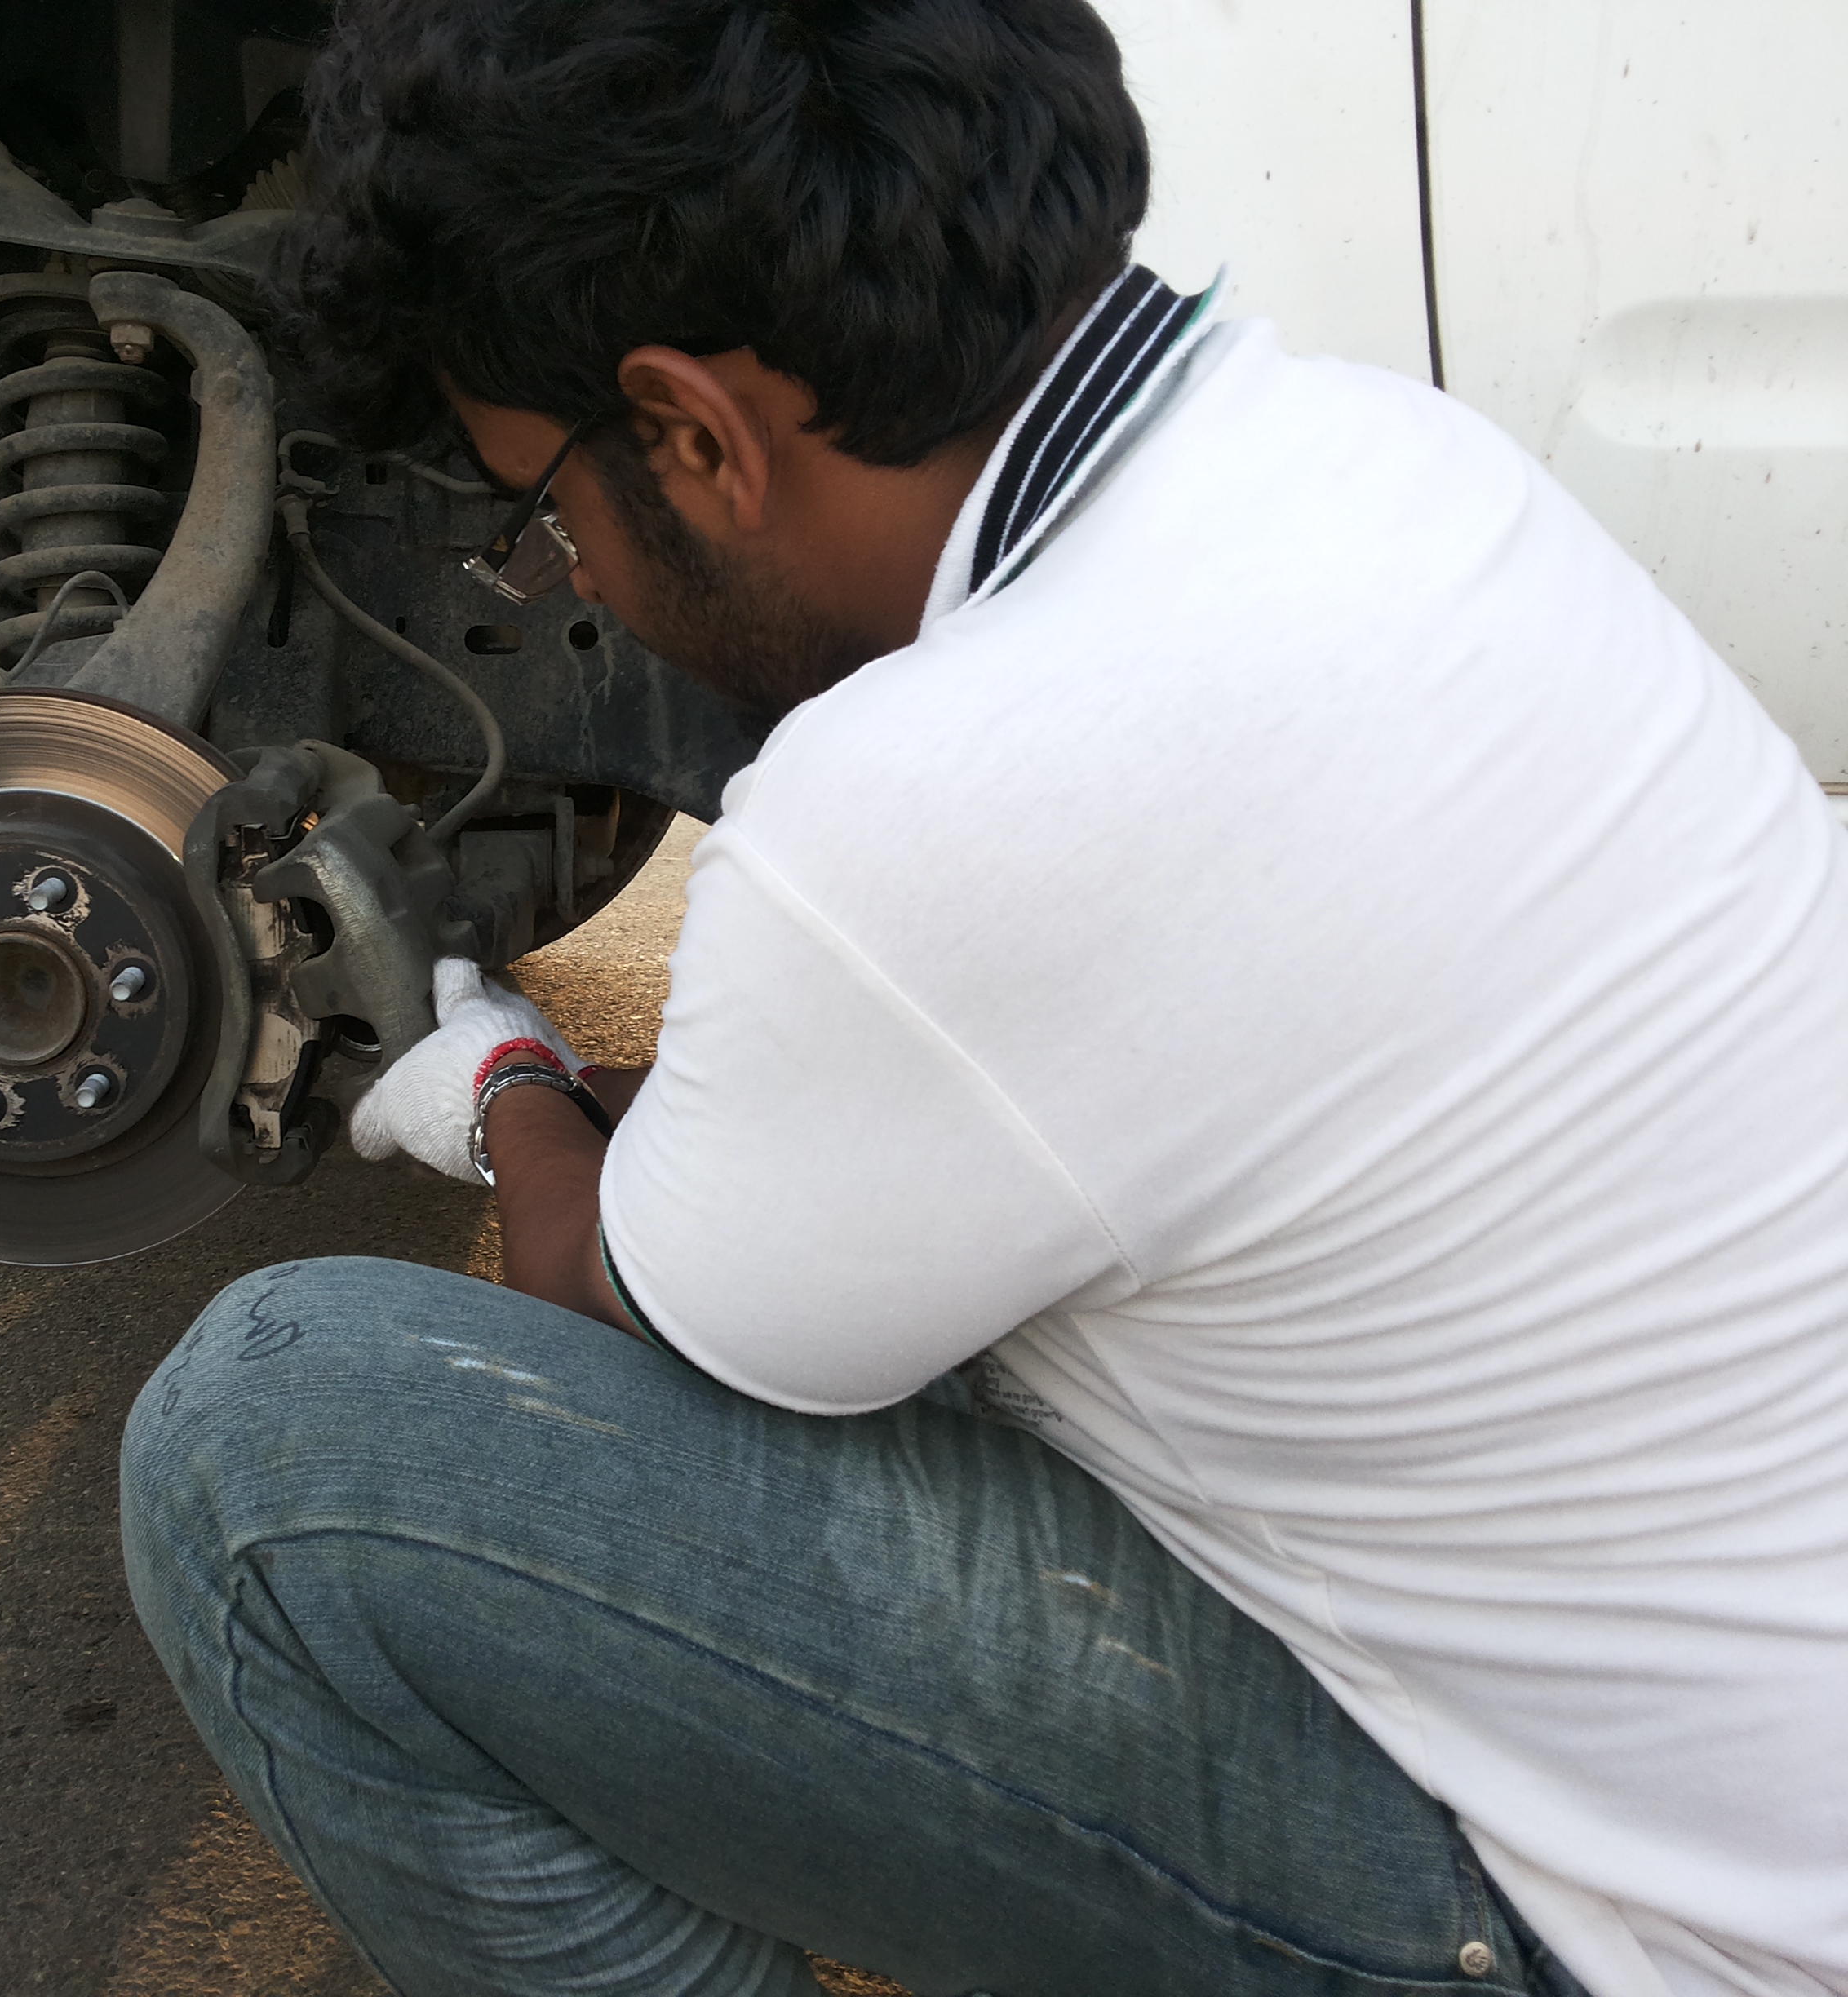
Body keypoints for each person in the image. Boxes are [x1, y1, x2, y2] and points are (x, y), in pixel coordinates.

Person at [119, 2, 1848, 1992]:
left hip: (1643, 1937)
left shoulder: (931, 806)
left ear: (694, 433)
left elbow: (614, 1298)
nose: (571, 568)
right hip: (1771, 1783)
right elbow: (888, 1125)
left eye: (544, 506)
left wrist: (489, 1069)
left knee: (268, 1460)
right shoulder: (1382, 462)